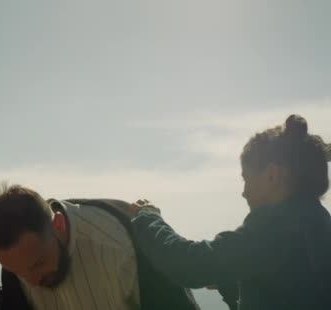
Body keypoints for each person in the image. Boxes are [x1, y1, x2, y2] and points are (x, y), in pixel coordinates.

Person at [128, 114, 331, 310]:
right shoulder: (319, 222)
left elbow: (188, 265)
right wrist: (231, 280)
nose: (244, 193)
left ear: (272, 175)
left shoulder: (279, 226)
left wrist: (147, 216)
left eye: (246, 179)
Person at [0, 183, 200, 310]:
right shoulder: (19, 261)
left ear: (58, 225)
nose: (33, 282)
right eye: (18, 272)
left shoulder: (121, 243)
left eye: (38, 264)